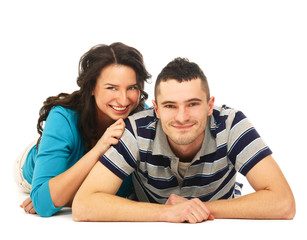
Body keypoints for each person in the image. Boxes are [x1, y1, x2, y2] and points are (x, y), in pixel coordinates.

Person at [72, 57, 296, 223]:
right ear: (156, 110)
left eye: (193, 104)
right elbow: (84, 205)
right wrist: (167, 212)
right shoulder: (137, 129)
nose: (182, 117)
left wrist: (197, 209)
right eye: (170, 106)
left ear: (209, 106)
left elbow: (284, 203)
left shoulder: (230, 124)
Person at [13, 42, 151, 217]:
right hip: (34, 167)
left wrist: (66, 198)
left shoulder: (141, 117)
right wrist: (99, 150)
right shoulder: (63, 118)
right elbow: (43, 204)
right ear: (92, 87)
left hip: (82, 178)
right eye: (111, 88)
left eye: (132, 87)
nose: (123, 101)